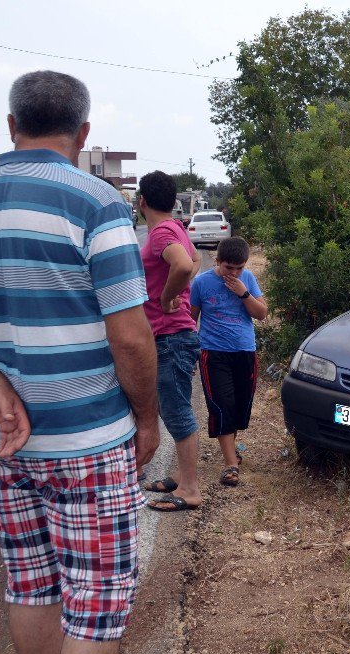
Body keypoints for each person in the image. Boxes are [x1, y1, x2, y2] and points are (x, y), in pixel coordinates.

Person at [0, 70, 160, 654]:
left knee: (32, 586)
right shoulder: (96, 202)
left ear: (12, 126)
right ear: (84, 131)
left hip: (8, 441)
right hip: (90, 441)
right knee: (95, 607)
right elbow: (132, 338)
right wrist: (147, 419)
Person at [137, 171, 204, 512]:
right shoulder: (176, 227)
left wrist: (166, 299)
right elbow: (195, 260)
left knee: (176, 411)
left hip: (171, 335)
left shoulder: (162, 231)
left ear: (142, 201)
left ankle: (191, 490)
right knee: (174, 406)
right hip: (176, 334)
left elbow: (181, 265)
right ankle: (180, 475)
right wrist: (175, 289)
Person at [190, 237, 267, 486]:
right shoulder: (201, 283)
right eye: (228, 268)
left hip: (244, 351)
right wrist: (190, 354)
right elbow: (192, 320)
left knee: (239, 406)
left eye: (239, 268)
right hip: (213, 353)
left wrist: (243, 293)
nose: (233, 273)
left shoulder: (248, 280)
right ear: (217, 260)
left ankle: (231, 452)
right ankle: (230, 464)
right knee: (222, 404)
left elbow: (262, 314)